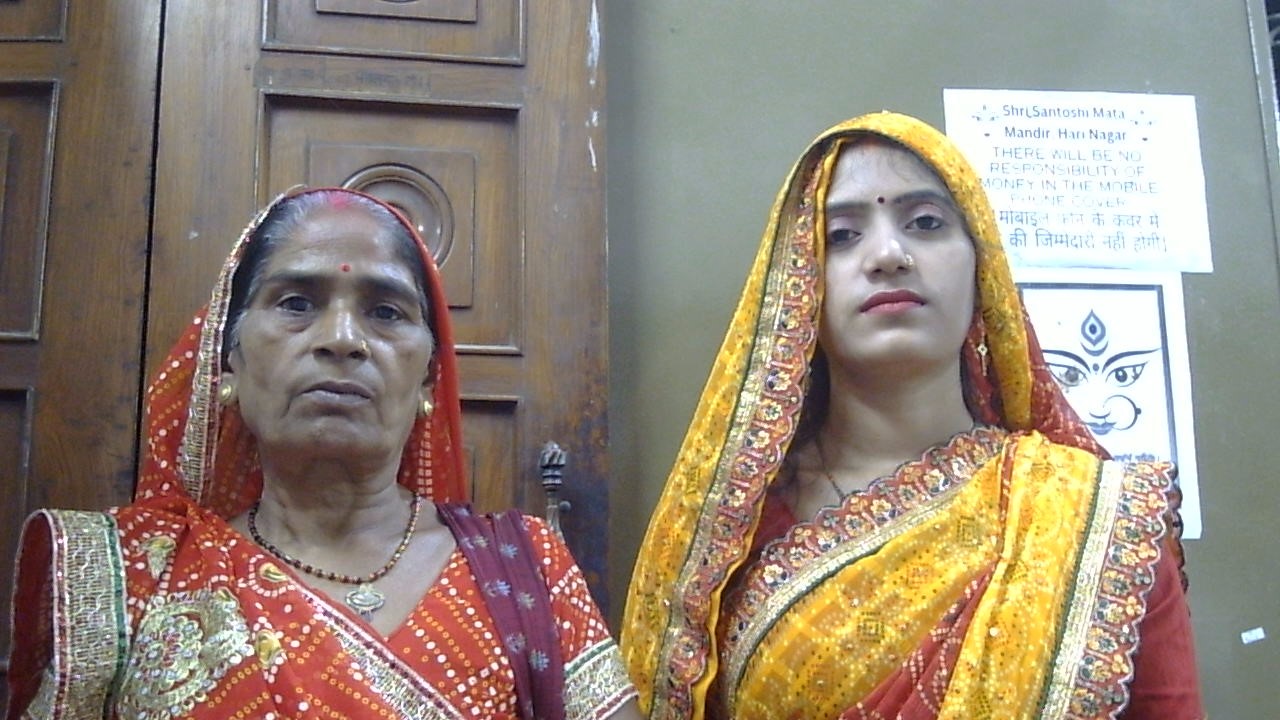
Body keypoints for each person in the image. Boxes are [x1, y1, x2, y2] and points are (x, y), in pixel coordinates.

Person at [620, 112, 1203, 719]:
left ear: (983, 269)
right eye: (841, 235)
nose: (888, 255)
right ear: (797, 286)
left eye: (925, 223)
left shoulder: (1094, 521)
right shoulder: (731, 536)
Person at [7, 187, 641, 719]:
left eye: (386, 311)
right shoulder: (136, 582)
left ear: (428, 378)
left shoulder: (525, 568)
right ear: (228, 364)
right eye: (296, 303)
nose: (342, 339)